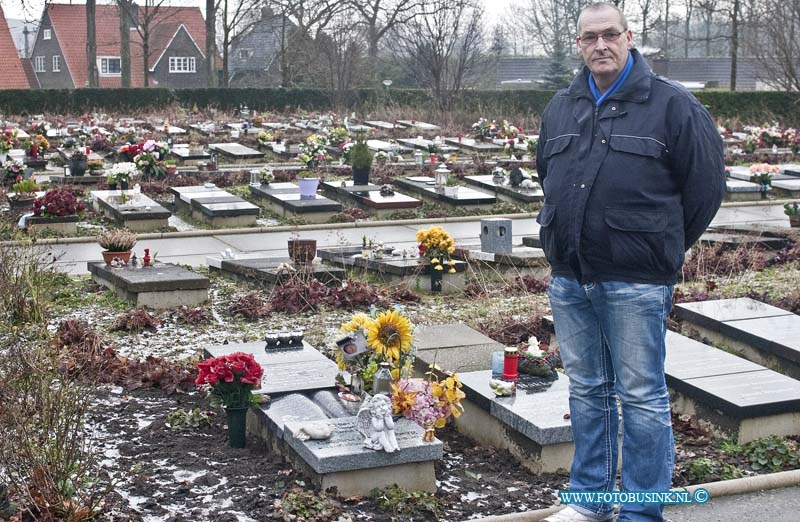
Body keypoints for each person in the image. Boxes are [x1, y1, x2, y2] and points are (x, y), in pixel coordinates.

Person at [536, 3, 725, 522]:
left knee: (641, 398)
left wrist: (656, 246)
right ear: (578, 44)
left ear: (629, 36)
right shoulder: (561, 106)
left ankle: (642, 512)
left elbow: (706, 190)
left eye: (610, 35)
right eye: (589, 37)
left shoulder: (672, 106)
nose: (600, 45)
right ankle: (589, 501)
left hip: (635, 281)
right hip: (572, 278)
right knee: (587, 390)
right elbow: (545, 177)